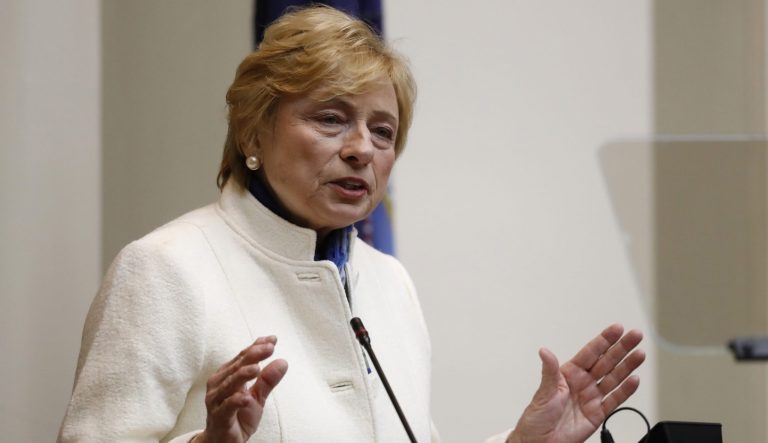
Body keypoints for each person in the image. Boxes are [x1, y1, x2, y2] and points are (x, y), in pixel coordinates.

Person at [58, 5, 645, 443]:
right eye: (332, 119)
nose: (363, 149)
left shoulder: (390, 282)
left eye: (383, 131)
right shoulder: (165, 269)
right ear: (252, 133)